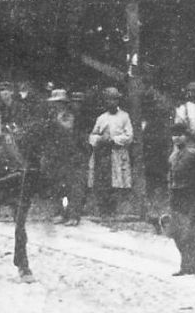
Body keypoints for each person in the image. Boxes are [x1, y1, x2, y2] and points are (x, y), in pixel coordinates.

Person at [167, 123, 195, 278]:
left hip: (191, 197)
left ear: (186, 136)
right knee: (177, 234)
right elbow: (170, 180)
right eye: (174, 134)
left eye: (180, 134)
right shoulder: (172, 157)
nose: (177, 137)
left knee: (191, 234)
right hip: (176, 197)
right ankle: (186, 265)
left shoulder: (194, 154)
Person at [89, 87, 134, 215]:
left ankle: (113, 209)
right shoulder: (101, 118)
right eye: (108, 100)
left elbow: (129, 136)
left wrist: (114, 140)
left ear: (118, 101)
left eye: (114, 100)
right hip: (103, 154)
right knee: (103, 181)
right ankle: (103, 209)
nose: (111, 102)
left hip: (117, 152)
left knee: (117, 181)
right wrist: (100, 139)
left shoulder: (124, 116)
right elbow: (92, 136)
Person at [46, 89, 87, 225]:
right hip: (57, 155)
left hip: (72, 154)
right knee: (57, 185)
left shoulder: (68, 116)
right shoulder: (53, 116)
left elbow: (68, 130)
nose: (55, 106)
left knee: (73, 186)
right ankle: (60, 213)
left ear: (63, 103)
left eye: (58, 103)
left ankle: (73, 216)